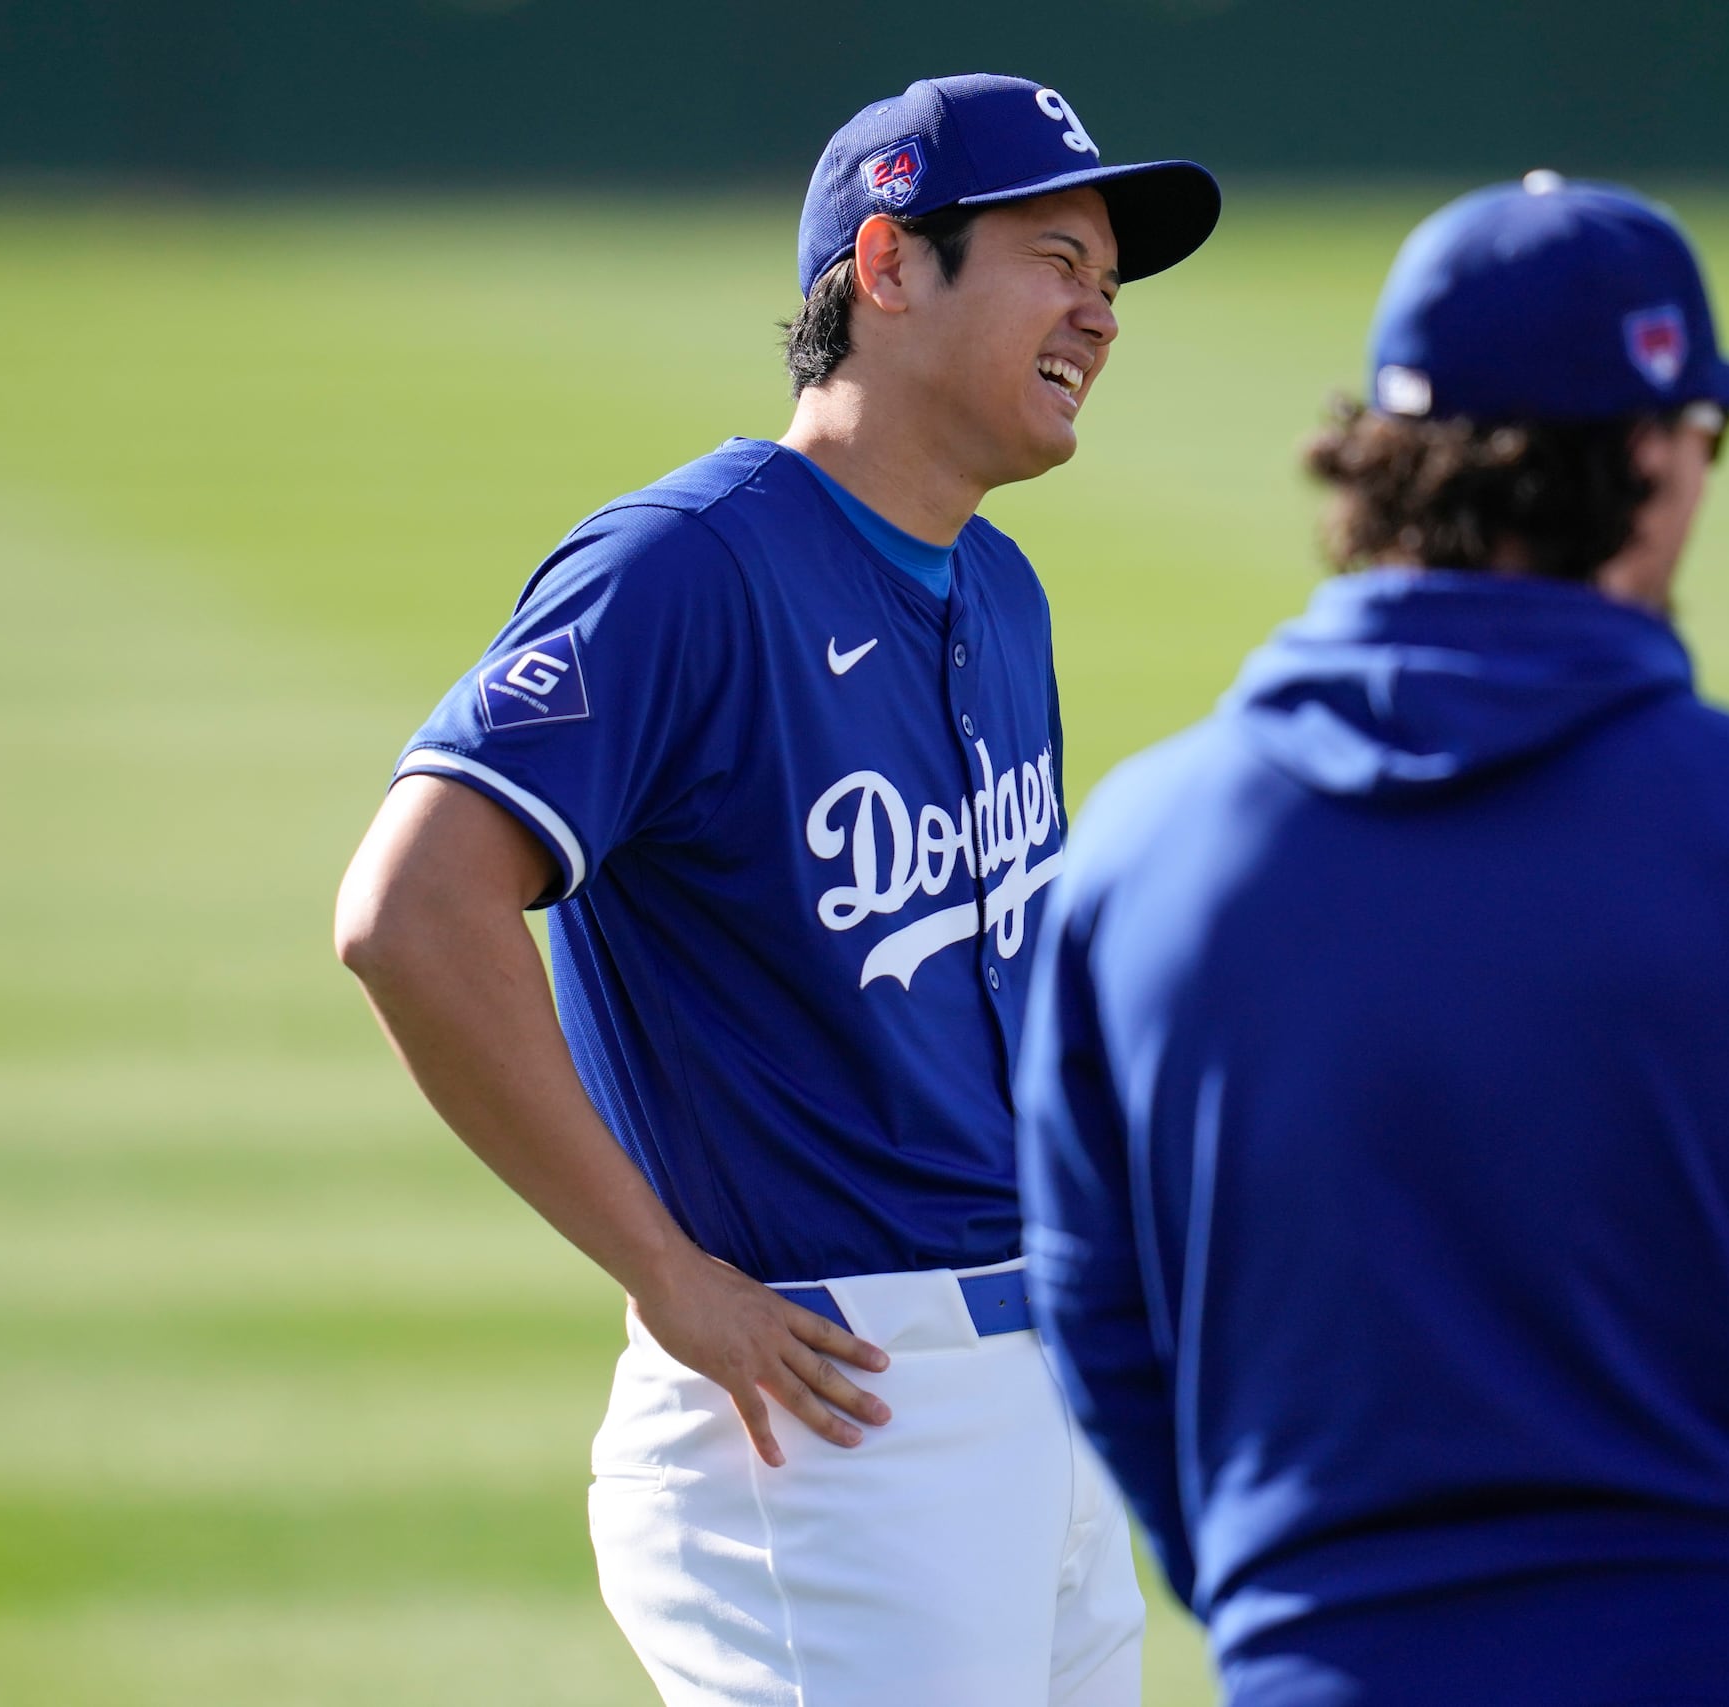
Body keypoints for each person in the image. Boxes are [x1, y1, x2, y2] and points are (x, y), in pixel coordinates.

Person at [1014, 175, 1729, 1707]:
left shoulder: (1139, 849)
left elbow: (1097, 1308)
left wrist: (1272, 1600)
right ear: (1649, 455)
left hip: (1327, 1659)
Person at [333, 74, 1218, 1707]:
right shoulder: (685, 566)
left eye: (1110, 278)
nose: (1100, 311)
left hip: (1042, 1398)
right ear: (887, 267)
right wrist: (667, 1279)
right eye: (1056, 256)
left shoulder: (999, 585)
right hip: (834, 1420)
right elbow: (410, 909)